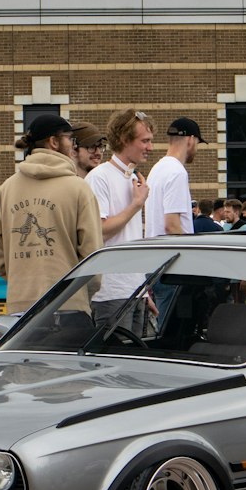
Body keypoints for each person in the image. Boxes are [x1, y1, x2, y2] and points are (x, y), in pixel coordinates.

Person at [0, 113, 102, 313]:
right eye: (70, 139)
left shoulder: (6, 190)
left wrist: (19, 282)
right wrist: (83, 295)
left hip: (19, 308)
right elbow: (92, 254)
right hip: (68, 305)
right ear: (54, 142)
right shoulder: (78, 189)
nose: (73, 146)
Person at [85, 109, 153, 331]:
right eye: (145, 141)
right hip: (110, 295)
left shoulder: (132, 177)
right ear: (125, 139)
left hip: (134, 292)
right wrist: (136, 205)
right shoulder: (99, 177)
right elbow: (100, 231)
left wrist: (143, 289)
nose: (150, 148)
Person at [145, 119, 204, 239]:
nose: (196, 149)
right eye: (197, 143)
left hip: (154, 249)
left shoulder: (156, 169)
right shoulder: (177, 172)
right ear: (191, 140)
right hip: (173, 254)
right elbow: (171, 226)